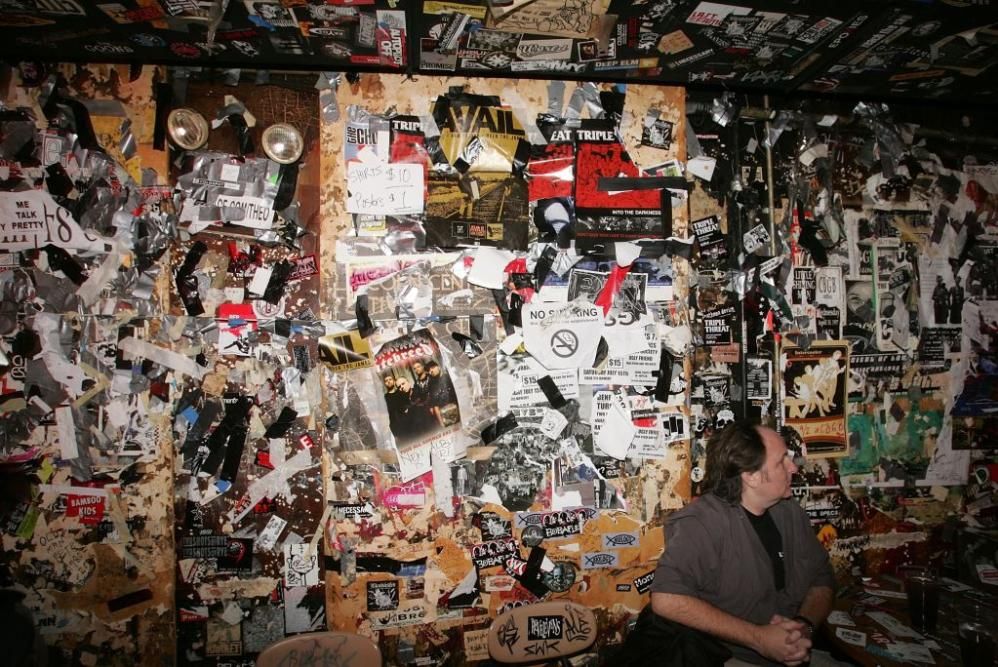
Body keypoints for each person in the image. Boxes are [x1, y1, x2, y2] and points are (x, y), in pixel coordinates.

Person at [649, 421, 836, 666]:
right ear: (751, 476)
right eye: (781, 461)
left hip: (800, 649)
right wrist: (759, 639)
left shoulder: (790, 512)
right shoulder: (702, 523)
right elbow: (666, 598)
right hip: (732, 657)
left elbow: (822, 577)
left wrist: (804, 626)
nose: (793, 467)